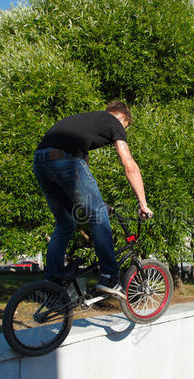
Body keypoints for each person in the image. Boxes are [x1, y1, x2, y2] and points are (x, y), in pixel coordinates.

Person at [33, 101, 152, 298]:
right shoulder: (113, 121)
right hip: (66, 160)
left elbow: (82, 181)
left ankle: (51, 282)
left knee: (65, 223)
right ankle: (110, 277)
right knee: (98, 216)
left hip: (41, 161)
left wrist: (96, 203)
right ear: (122, 118)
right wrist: (143, 203)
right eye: (125, 127)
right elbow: (128, 163)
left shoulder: (83, 124)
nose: (121, 131)